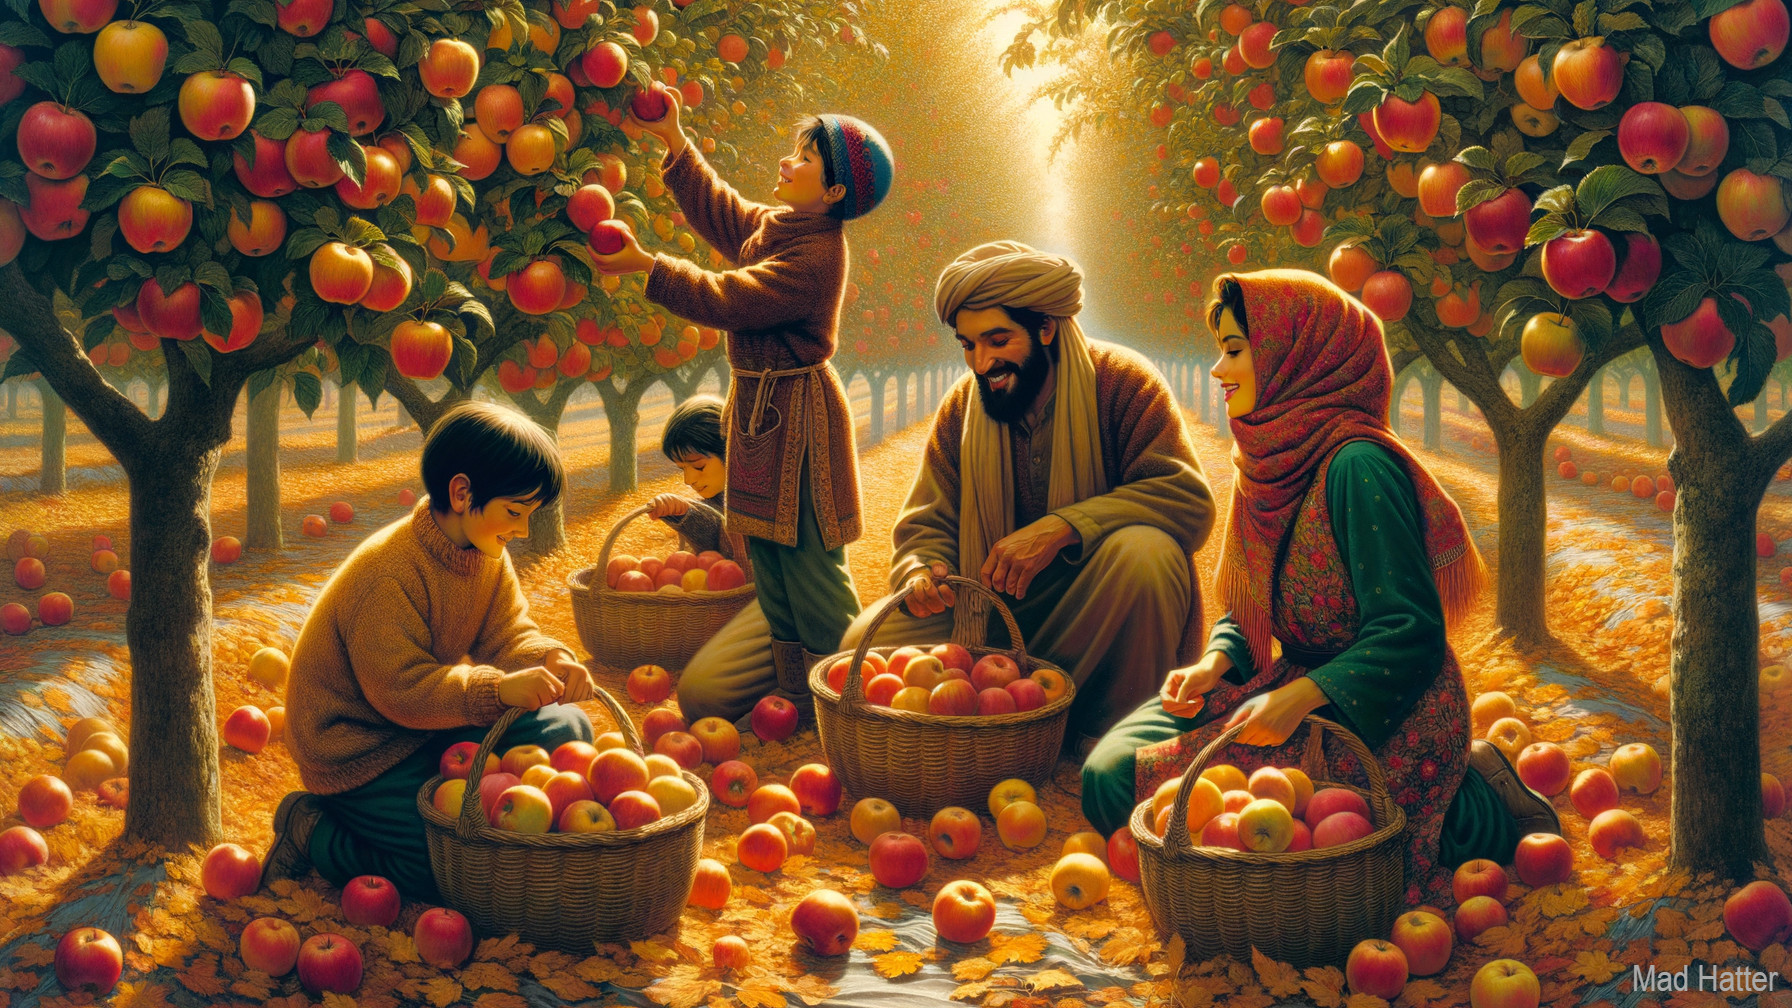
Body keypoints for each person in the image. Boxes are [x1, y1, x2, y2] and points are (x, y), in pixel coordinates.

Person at [1081, 268, 1559, 906]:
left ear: (1293, 356)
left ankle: (1476, 802)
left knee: (1336, 844)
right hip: (1293, 687)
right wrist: (1219, 660)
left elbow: (1411, 634)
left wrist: (1301, 699)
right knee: (1109, 776)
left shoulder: (1357, 467)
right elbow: (1258, 599)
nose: (1219, 371)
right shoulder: (1269, 460)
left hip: (1386, 705)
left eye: (1233, 351)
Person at [839, 241, 1216, 747]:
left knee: (1148, 554)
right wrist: (922, 570)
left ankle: (1111, 736)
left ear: (1045, 327)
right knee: (860, 647)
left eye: (997, 340)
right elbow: (929, 520)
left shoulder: (1123, 381)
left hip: (1098, 611)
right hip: (989, 616)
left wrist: (1062, 528)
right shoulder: (963, 405)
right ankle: (1017, 710)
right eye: (968, 345)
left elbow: (1186, 499)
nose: (981, 363)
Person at [591, 84, 893, 703]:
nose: (787, 162)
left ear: (833, 192)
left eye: (803, 158)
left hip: (798, 424)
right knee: (773, 567)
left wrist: (648, 267)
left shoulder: (816, 256)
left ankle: (849, 700)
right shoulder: (784, 227)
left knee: (810, 568)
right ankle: (795, 700)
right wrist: (675, 138)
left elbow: (731, 299)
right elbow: (722, 211)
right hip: (761, 414)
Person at [261, 402, 597, 901]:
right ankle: (311, 830)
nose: (523, 531)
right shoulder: (389, 573)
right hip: (359, 747)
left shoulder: (486, 554)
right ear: (462, 493)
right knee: (446, 863)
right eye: (515, 512)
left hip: (425, 723)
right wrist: (498, 688)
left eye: (530, 515)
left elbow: (507, 634)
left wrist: (548, 660)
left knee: (567, 726)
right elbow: (400, 690)